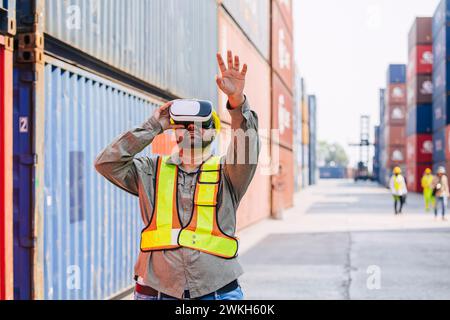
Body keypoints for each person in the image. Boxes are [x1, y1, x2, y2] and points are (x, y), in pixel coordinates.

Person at [94, 51, 260, 300]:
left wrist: (237, 103)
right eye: (184, 123)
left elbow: (246, 148)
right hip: (155, 291)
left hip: (217, 292)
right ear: (174, 132)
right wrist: (154, 126)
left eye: (202, 124)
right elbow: (107, 163)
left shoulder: (229, 173)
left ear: (212, 133)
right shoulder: (150, 171)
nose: (193, 127)